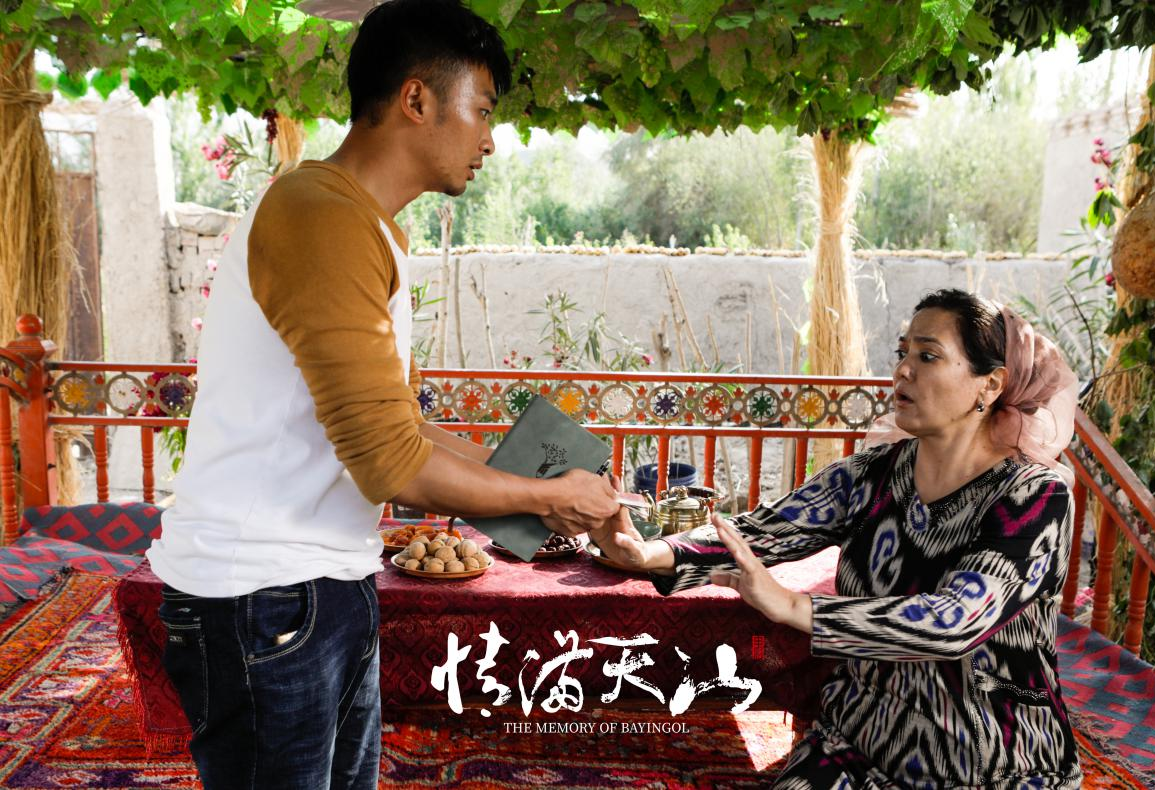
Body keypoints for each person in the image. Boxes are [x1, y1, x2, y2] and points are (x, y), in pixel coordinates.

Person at [145, 2, 625, 788]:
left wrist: (549, 486)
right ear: (416, 99)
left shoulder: (361, 225)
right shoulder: (318, 216)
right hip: (261, 593)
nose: (489, 140)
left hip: (318, 586)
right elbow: (388, 462)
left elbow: (395, 427)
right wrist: (543, 497)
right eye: (482, 110)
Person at [593, 288, 1083, 788]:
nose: (903, 370)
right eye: (903, 353)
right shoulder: (872, 474)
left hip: (990, 757)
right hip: (862, 738)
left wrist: (793, 606)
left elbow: (954, 620)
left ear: (990, 384)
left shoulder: (1033, 498)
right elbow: (761, 532)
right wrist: (646, 552)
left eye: (928, 356)